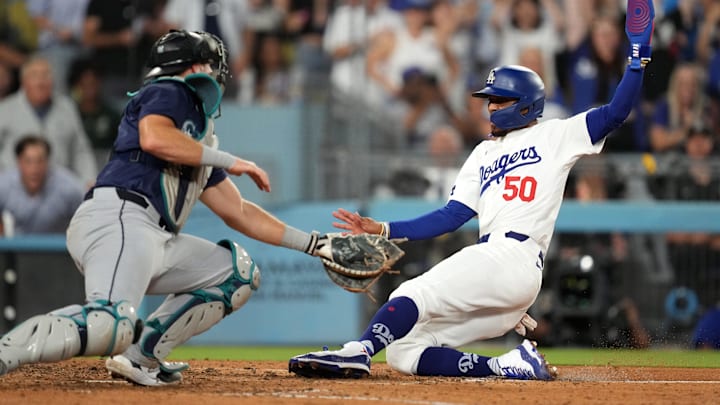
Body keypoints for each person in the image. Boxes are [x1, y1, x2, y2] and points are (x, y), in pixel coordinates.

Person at [289, 0, 655, 380]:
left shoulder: (555, 134)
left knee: (412, 293)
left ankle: (359, 351)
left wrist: (636, 58)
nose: (490, 106)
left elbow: (615, 113)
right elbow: (451, 216)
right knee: (402, 350)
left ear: (526, 106)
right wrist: (383, 229)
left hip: (513, 256)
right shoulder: (482, 153)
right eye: (489, 99)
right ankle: (508, 365)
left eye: (499, 99)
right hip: (499, 268)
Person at [0, 30, 341, 385]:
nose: (218, 76)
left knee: (235, 274)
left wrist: (315, 244)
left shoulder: (194, 136)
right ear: (197, 67)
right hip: (121, 218)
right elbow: (154, 137)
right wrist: (229, 159)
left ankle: (140, 358)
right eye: (214, 67)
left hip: (150, 234)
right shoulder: (172, 91)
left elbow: (238, 211)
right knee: (109, 325)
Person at [0, 55, 97, 186]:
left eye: (45, 76)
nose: (41, 82)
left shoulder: (66, 107)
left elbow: (80, 150)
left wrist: (89, 180)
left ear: (53, 81)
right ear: (23, 82)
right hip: (14, 189)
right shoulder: (5, 109)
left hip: (59, 188)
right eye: (34, 76)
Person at [0, 135, 84, 236]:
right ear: (19, 162)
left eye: (40, 161)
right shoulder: (4, 184)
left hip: (59, 248)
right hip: (18, 248)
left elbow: (88, 216)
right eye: (28, 161)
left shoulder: (69, 187)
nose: (34, 169)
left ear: (48, 162)